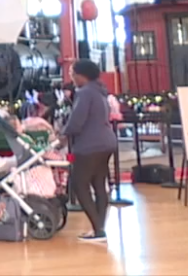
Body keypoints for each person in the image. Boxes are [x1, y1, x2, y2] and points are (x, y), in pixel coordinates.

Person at [63, 60, 118, 244]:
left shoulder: (84, 93)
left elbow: (77, 121)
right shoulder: (100, 91)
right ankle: (99, 228)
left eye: (72, 74)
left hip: (89, 145)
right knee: (99, 185)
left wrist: (63, 134)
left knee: (80, 185)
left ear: (81, 75)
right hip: (107, 142)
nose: (72, 78)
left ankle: (98, 230)